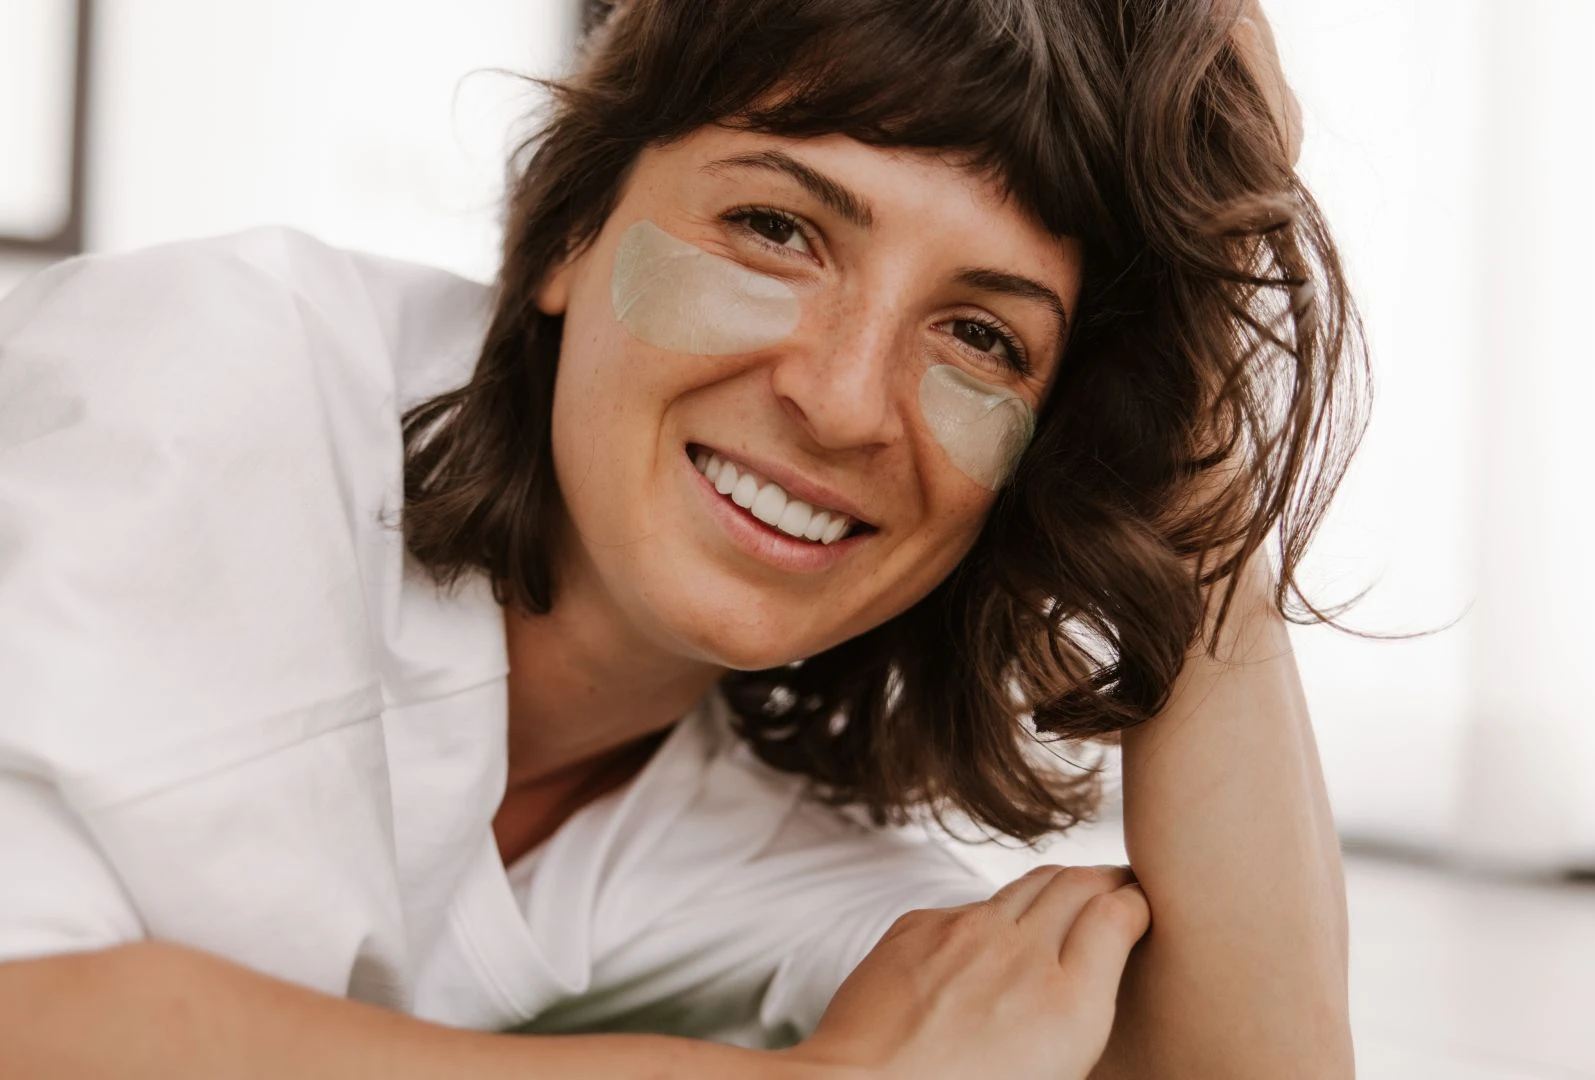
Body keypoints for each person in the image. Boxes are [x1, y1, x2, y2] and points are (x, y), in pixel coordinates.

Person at [0, 0, 1361, 1076]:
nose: (841, 404)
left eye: (980, 336)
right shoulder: (216, 375)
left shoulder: (739, 833)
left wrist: (1195, 455)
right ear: (572, 231)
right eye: (775, 230)